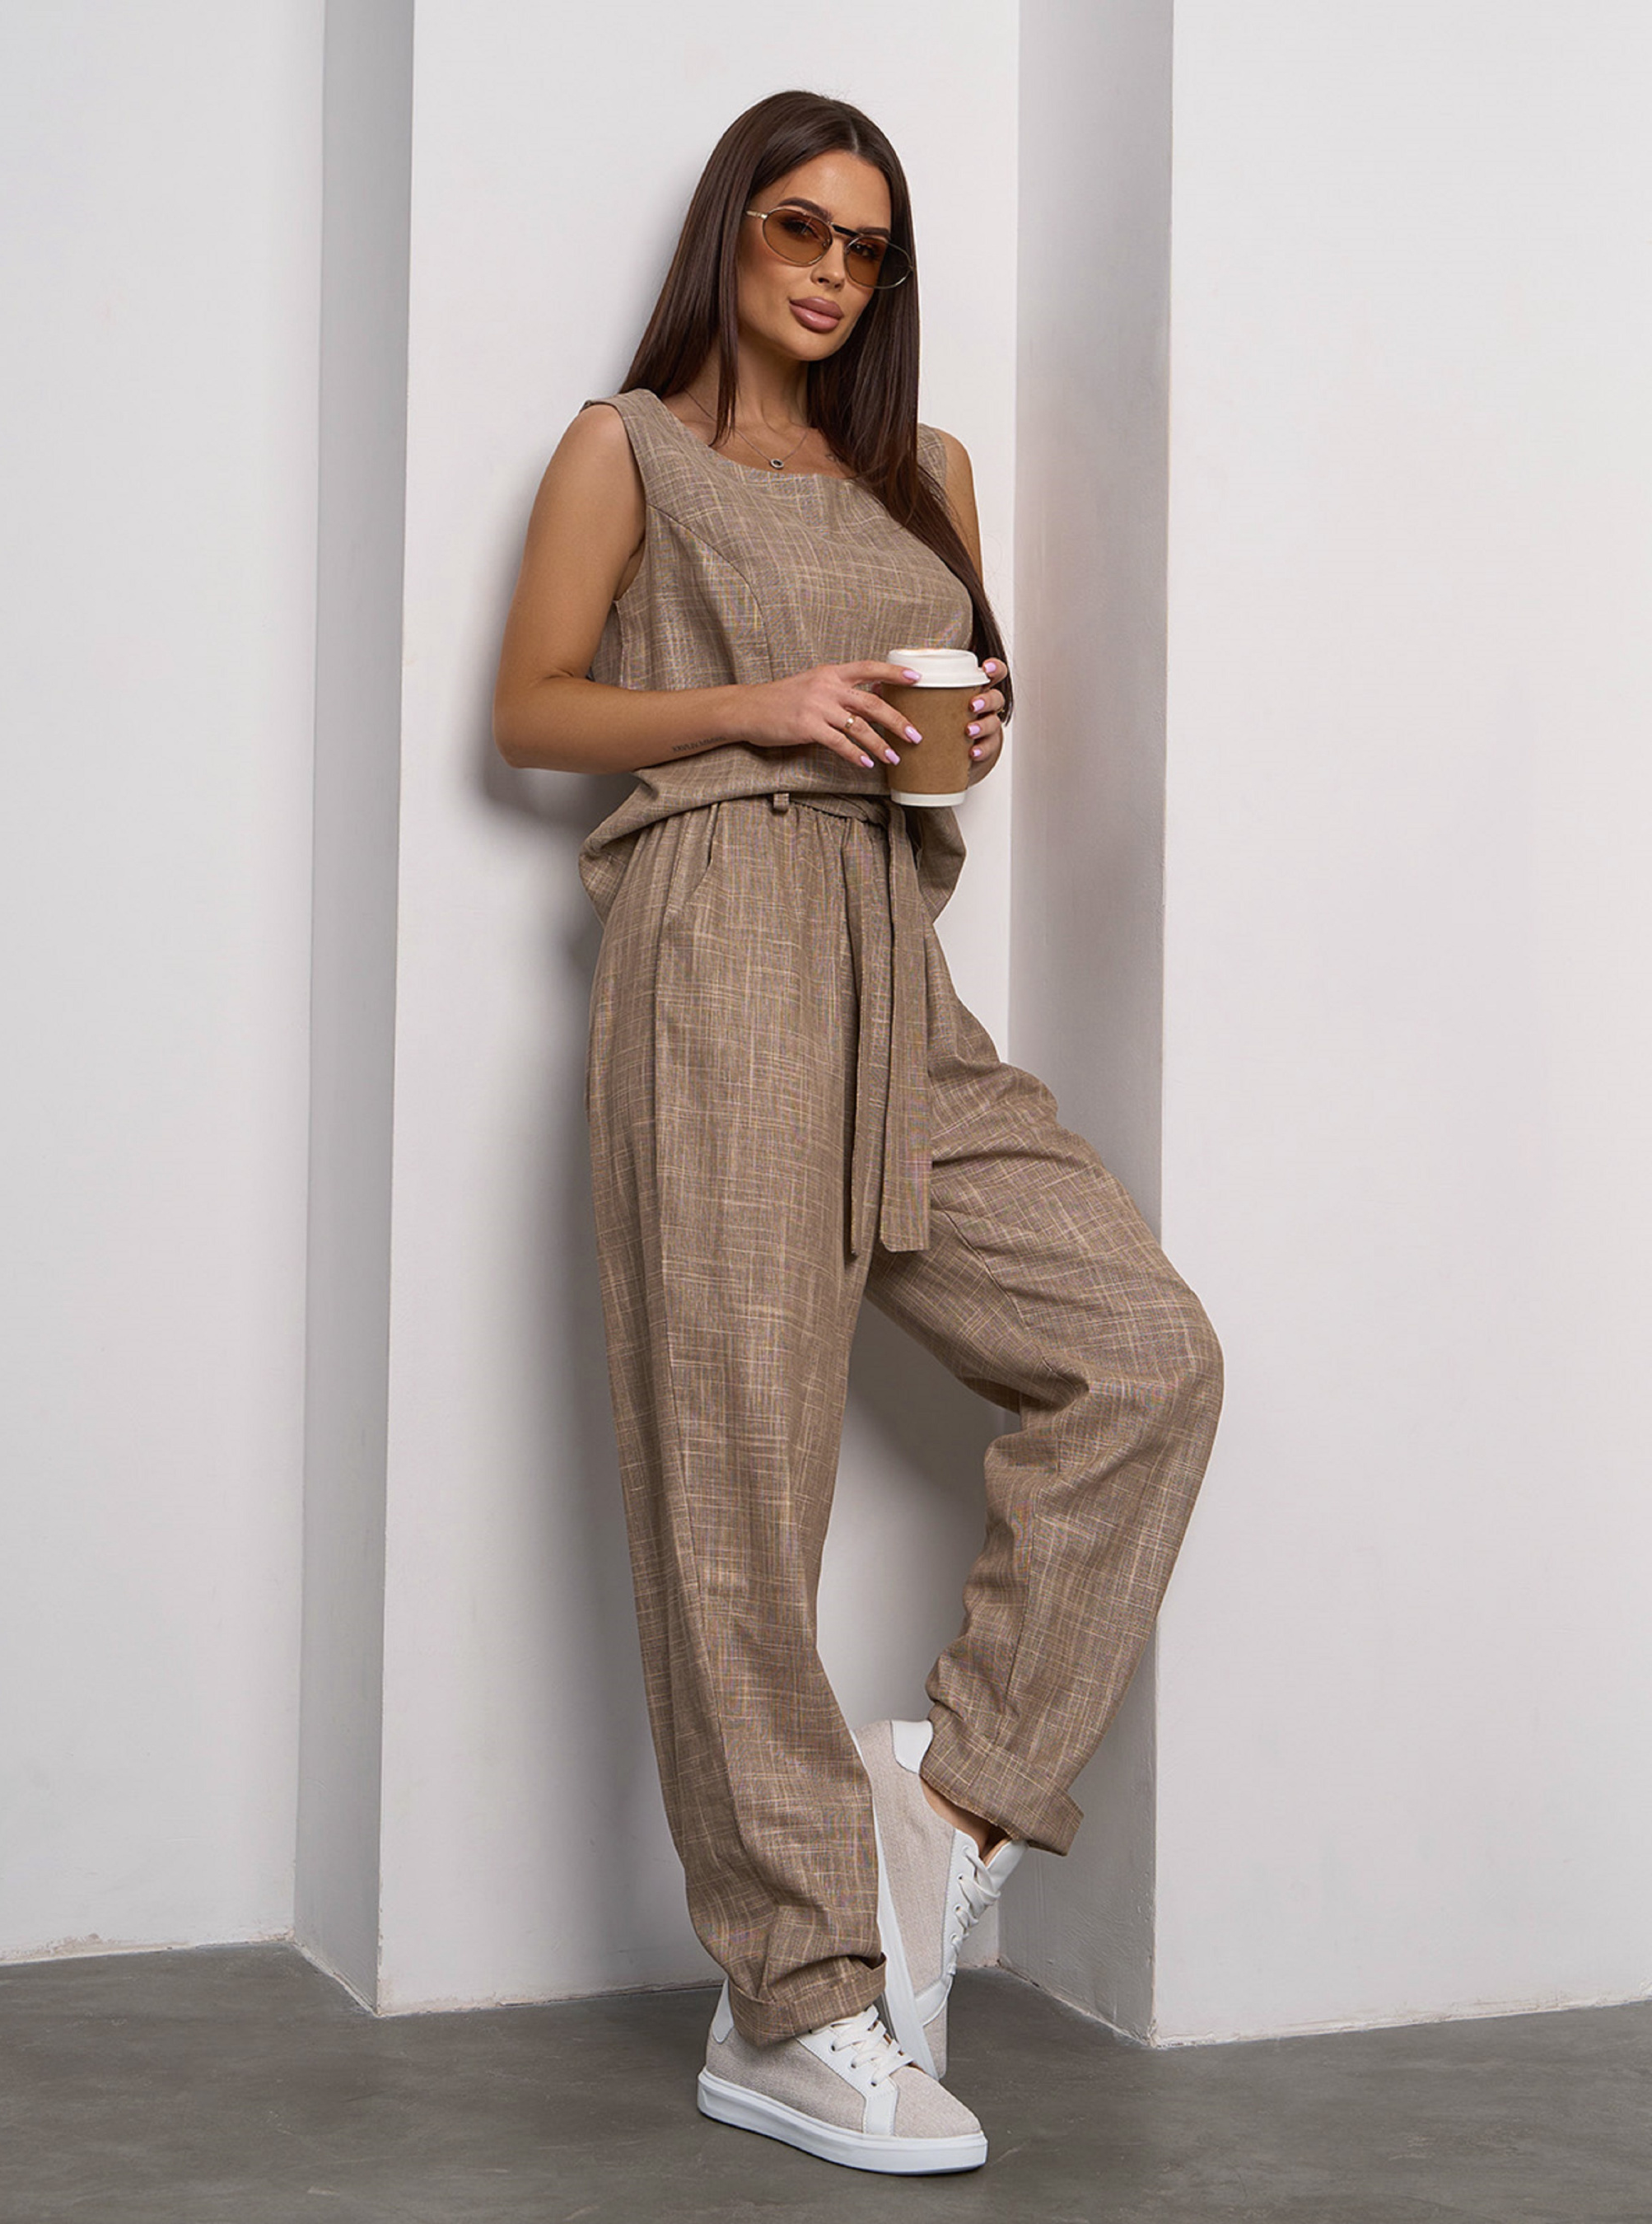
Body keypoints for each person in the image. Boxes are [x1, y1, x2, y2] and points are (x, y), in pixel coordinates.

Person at [492, 89, 1225, 2178]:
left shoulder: (929, 473)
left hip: (888, 960)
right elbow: (530, 707)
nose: (830, 273)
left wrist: (967, 728)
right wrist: (755, 702)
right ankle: (791, 2001)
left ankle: (947, 1803)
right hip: (712, 944)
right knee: (734, 1489)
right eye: (797, 229)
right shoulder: (625, 449)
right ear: (730, 230)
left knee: (1141, 1356)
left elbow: (943, 731)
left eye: (866, 249)